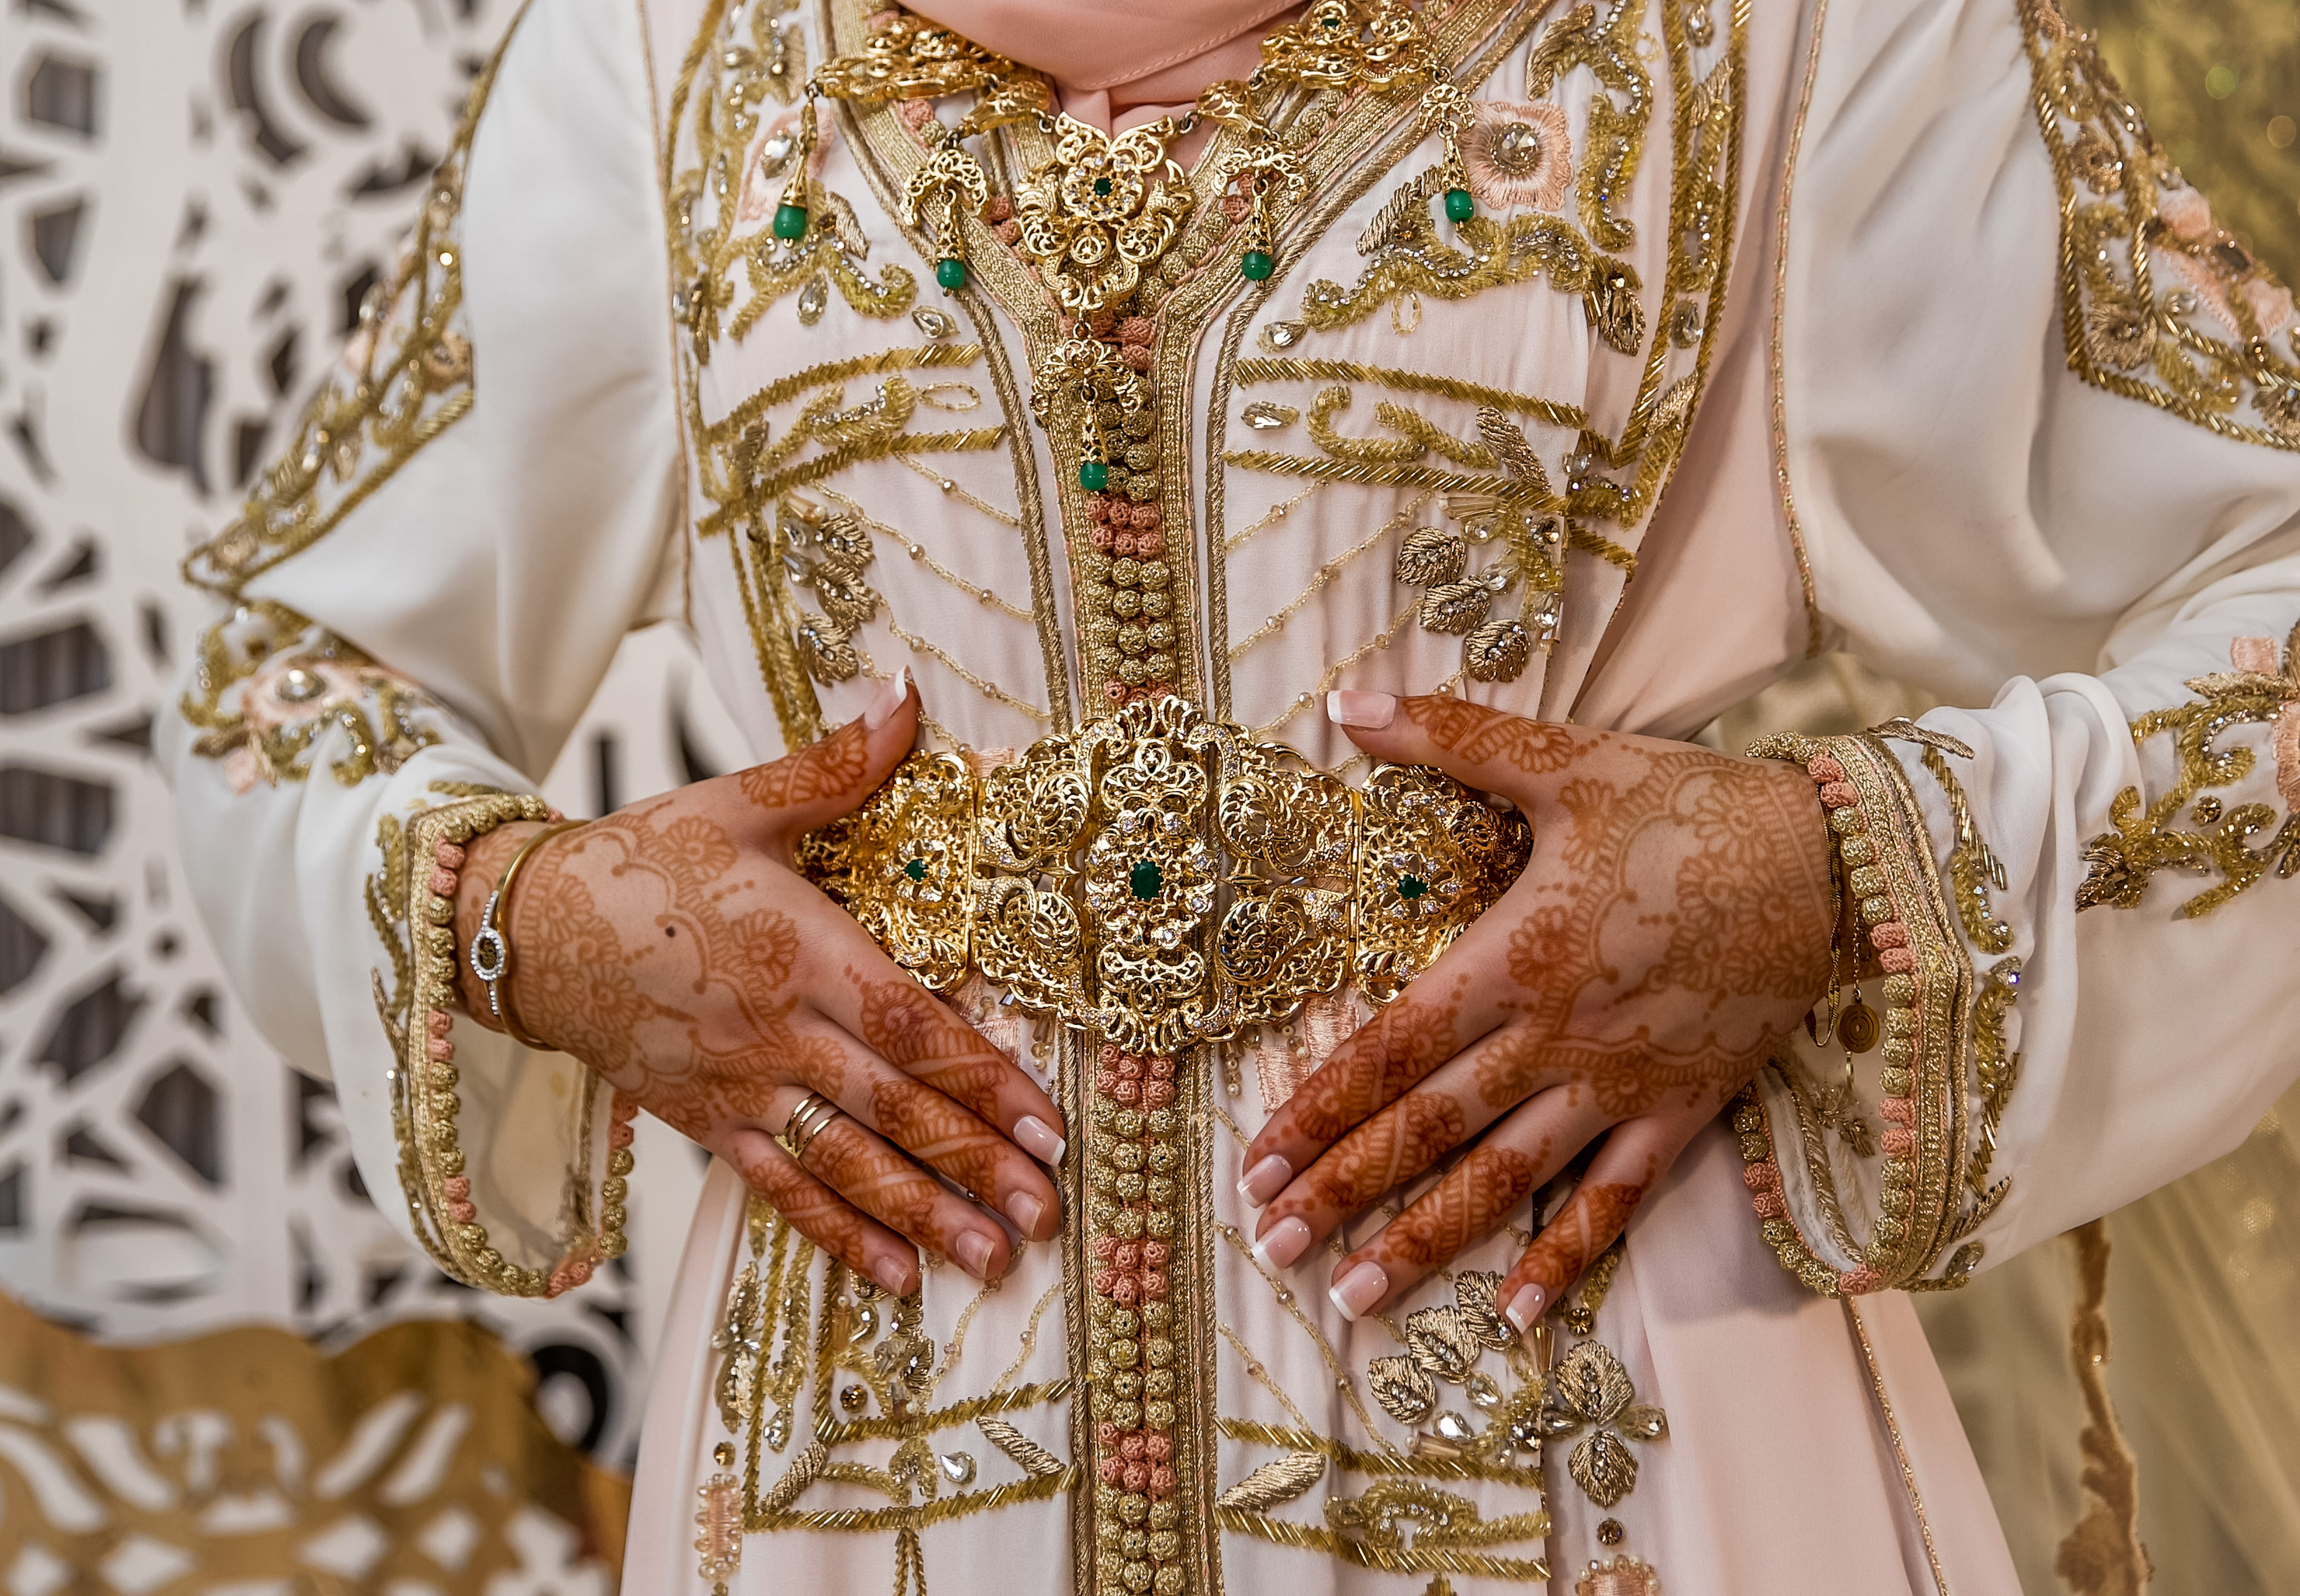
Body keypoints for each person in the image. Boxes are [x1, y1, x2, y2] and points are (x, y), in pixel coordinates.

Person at [161, 0, 2300, 1589]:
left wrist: (1831, 867)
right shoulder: (659, 59)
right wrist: (529, 917)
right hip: (882, 1421)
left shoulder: (1787, 37)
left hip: (1589, 1362)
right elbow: (283, 669)